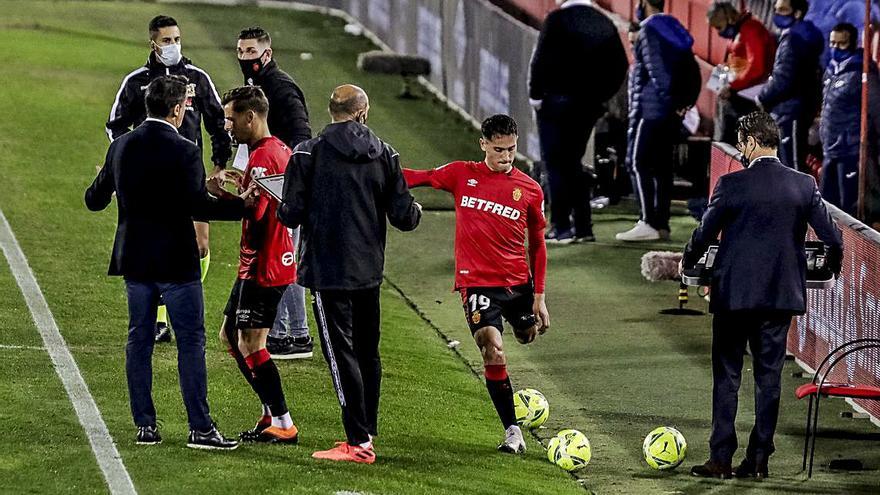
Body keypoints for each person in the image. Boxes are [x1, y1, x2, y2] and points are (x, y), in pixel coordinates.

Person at [86, 75, 246, 450]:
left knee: (138, 341)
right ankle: (200, 428)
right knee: (190, 343)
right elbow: (197, 206)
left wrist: (103, 179)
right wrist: (242, 206)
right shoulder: (186, 149)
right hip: (176, 262)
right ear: (177, 109)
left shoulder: (121, 146)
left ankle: (145, 426)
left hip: (136, 260)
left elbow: (95, 200)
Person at [683, 111, 843, 479]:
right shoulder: (803, 185)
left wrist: (687, 261)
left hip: (734, 296)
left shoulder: (731, 184)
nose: (739, 149)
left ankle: (720, 459)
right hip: (777, 298)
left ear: (752, 141)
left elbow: (705, 233)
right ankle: (758, 461)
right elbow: (832, 238)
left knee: (727, 377)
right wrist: (829, 267)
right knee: (768, 379)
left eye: (741, 143)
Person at [278, 84, 422, 464]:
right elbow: (405, 217)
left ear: (332, 111)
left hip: (328, 270)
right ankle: (367, 430)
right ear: (364, 111)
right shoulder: (386, 153)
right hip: (369, 271)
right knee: (367, 352)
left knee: (340, 354)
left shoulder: (307, 153)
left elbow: (289, 214)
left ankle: (357, 442)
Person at [403, 115, 550, 454]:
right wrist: (373, 171)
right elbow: (419, 177)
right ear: (483, 144)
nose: (506, 156)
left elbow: (538, 243)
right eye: (499, 149)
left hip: (518, 284)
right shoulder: (461, 173)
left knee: (527, 335)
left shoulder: (529, 189)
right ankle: (513, 431)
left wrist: (539, 296)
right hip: (478, 285)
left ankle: (520, 330)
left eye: (512, 149)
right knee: (492, 348)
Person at [106, 15, 231, 343]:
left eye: (176, 39)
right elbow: (116, 124)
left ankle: (178, 301)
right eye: (166, 41)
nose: (173, 46)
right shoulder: (137, 81)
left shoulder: (197, 78)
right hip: (149, 177)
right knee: (157, 242)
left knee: (200, 244)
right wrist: (124, 160)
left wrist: (219, 163)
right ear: (153, 43)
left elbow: (218, 122)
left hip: (190, 173)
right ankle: (161, 317)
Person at [218, 86, 300, 444]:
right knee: (231, 337)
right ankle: (270, 412)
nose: (227, 126)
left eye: (231, 119)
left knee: (251, 342)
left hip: (264, 265)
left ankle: (284, 423)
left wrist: (218, 193)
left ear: (250, 117)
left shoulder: (266, 157)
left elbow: (257, 210)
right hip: (259, 262)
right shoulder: (273, 149)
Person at [237, 26, 314, 359]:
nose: (244, 58)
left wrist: (287, 181)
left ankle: (289, 334)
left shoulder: (280, 87)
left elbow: (302, 135)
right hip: (275, 183)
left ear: (266, 54)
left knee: (281, 258)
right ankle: (292, 333)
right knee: (284, 257)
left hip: (283, 187)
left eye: (251, 52)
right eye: (240, 51)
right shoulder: (259, 85)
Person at [528, 0, 628, 243]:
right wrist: (600, 99)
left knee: (556, 164)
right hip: (587, 106)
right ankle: (583, 226)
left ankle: (561, 226)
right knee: (573, 162)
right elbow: (621, 66)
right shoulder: (604, 23)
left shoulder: (557, 20)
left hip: (555, 103)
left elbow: (540, 61)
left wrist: (536, 96)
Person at [616, 0, 697, 242]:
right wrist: (683, 103)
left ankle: (647, 220)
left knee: (638, 162)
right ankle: (661, 224)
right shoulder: (675, 27)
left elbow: (656, 71)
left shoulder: (649, 30)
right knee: (662, 168)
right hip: (669, 112)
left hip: (651, 110)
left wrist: (670, 101)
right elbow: (690, 69)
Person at [820, 22, 880, 216]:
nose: (835, 49)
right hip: (830, 147)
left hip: (850, 151)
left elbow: (875, 108)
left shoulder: (862, 72)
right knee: (825, 203)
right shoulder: (831, 69)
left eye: (841, 44)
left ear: (853, 43)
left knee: (847, 209)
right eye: (832, 44)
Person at [757, 0, 824, 171]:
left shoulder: (793, 41)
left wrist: (762, 97)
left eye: (783, 10)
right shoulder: (800, 37)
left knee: (792, 167)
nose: (777, 14)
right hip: (795, 108)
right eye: (776, 10)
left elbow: (783, 78)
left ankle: (796, 199)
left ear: (797, 13)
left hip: (791, 110)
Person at [708, 2, 776, 145]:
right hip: (742, 83)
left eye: (719, 27)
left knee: (727, 113)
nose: (719, 32)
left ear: (729, 19)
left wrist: (732, 87)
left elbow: (756, 68)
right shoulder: (740, 29)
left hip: (753, 88)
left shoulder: (750, 30)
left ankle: (723, 146)